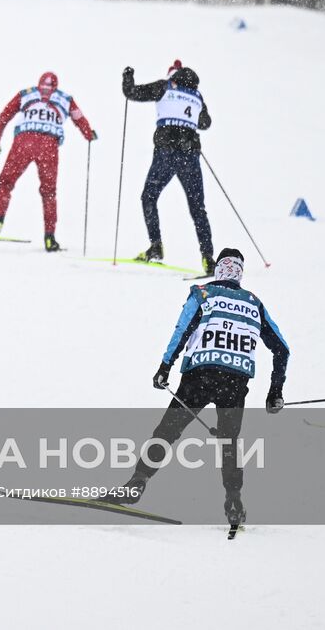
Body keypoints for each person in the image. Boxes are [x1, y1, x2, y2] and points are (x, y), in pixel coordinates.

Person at [121, 249, 289, 529]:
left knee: (168, 431)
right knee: (229, 442)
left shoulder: (203, 293)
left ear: (219, 270)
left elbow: (182, 328)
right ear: (239, 273)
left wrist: (165, 366)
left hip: (201, 375)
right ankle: (234, 501)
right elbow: (282, 350)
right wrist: (275, 392)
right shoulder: (254, 303)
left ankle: (137, 482)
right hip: (234, 382)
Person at [0, 71, 96, 252]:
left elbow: (4, 116)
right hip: (49, 147)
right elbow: (78, 118)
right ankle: (50, 238)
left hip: (23, 142)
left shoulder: (26, 94)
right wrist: (88, 133)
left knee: (6, 182)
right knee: (49, 192)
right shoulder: (66, 99)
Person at [123, 60, 215, 274]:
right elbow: (205, 123)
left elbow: (131, 93)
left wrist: (127, 77)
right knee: (198, 208)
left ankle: (156, 246)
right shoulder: (197, 95)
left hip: (167, 152)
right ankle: (208, 258)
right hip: (190, 155)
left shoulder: (164, 86)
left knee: (149, 197)